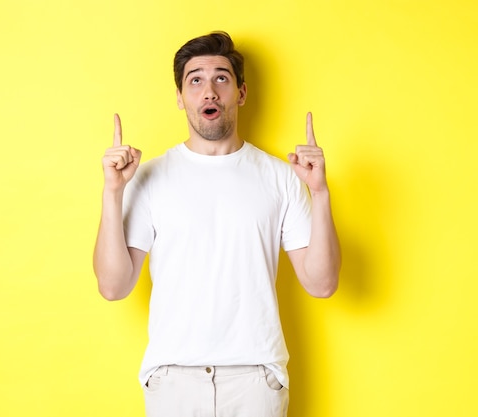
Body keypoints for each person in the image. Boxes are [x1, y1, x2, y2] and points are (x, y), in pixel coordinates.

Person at [93, 31, 341, 417]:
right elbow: (113, 286)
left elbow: (321, 283)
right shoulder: (148, 177)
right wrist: (112, 192)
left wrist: (320, 192)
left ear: (240, 93)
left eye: (221, 78)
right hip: (173, 381)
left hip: (255, 381)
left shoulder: (281, 177)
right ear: (180, 97)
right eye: (195, 80)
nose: (209, 91)